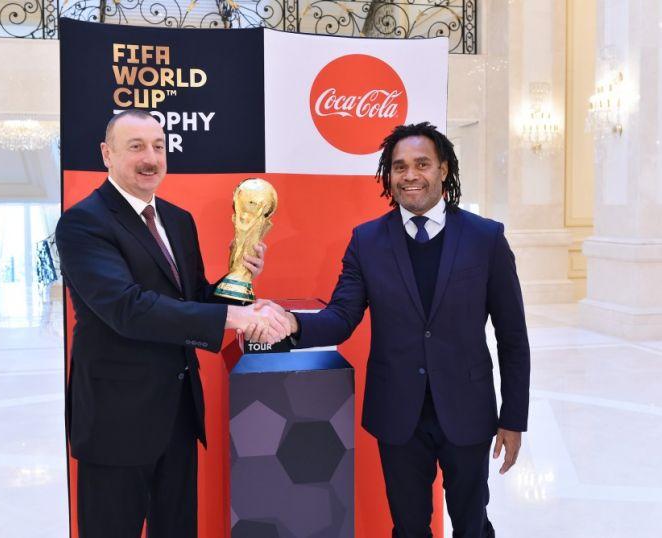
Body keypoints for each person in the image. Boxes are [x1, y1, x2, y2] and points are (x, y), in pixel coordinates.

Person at [252, 122, 530, 537]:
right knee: (408, 526)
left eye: (422, 164)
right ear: (389, 175)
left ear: (443, 169)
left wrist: (513, 418)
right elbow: (341, 317)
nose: (410, 175)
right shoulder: (367, 241)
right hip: (399, 413)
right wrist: (291, 323)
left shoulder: (485, 238)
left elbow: (513, 338)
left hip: (468, 409)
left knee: (472, 524)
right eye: (399, 167)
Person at [55, 109, 290, 538]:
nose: (151, 158)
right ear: (107, 154)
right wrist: (233, 316)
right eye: (136, 147)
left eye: (159, 147)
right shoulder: (82, 222)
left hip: (177, 415)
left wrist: (238, 282)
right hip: (116, 421)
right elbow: (127, 308)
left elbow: (192, 299)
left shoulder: (178, 220)